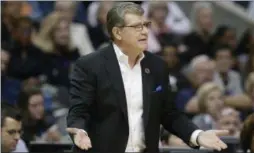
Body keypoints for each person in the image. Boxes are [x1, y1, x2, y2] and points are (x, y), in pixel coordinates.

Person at [66, 2, 228, 153]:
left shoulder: (157, 65)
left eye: (146, 25)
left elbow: (169, 114)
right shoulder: (90, 65)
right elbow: (79, 111)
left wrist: (197, 135)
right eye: (137, 26)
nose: (145, 31)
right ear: (117, 32)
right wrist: (80, 132)